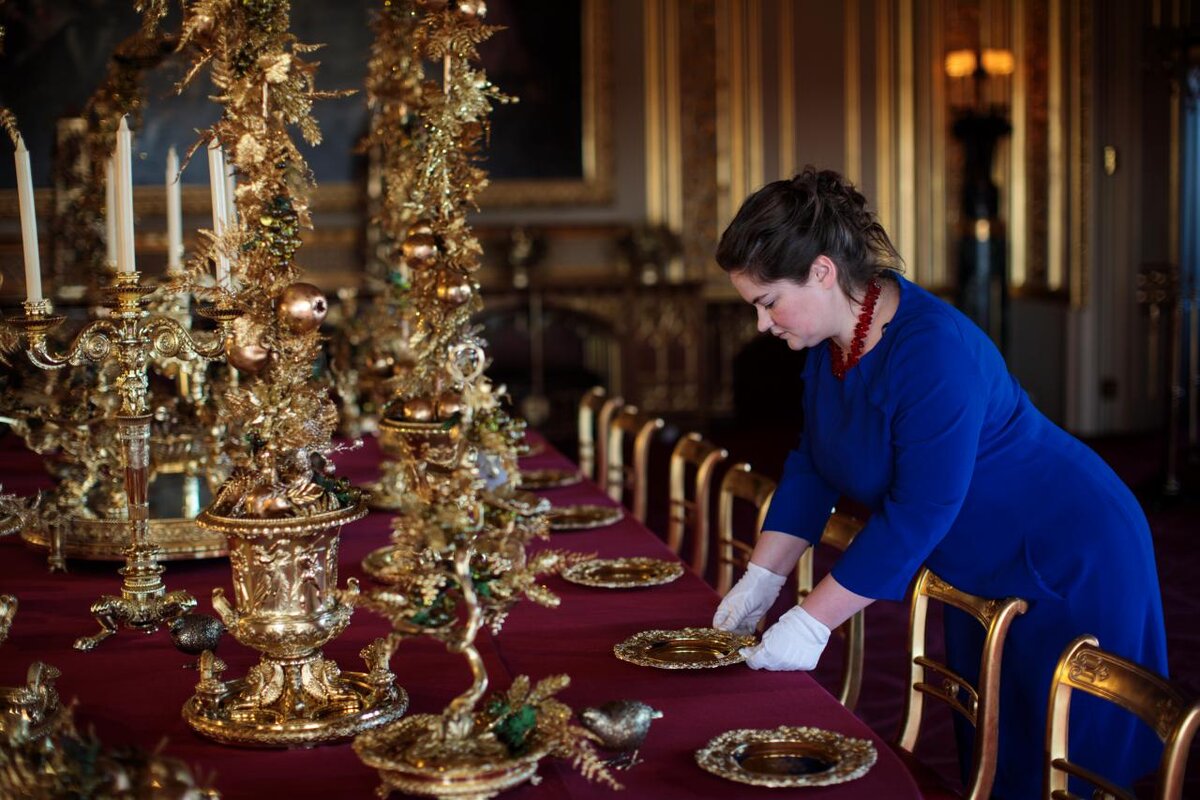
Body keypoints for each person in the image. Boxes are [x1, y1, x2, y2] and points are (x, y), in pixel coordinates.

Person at [711, 167, 1168, 798]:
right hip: (977, 555)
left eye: (767, 303)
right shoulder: (829, 342)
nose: (763, 324)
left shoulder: (934, 350)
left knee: (1062, 761)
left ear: (821, 272)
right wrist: (760, 584)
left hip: (1066, 550)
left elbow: (918, 513)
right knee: (993, 749)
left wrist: (811, 623)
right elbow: (814, 465)